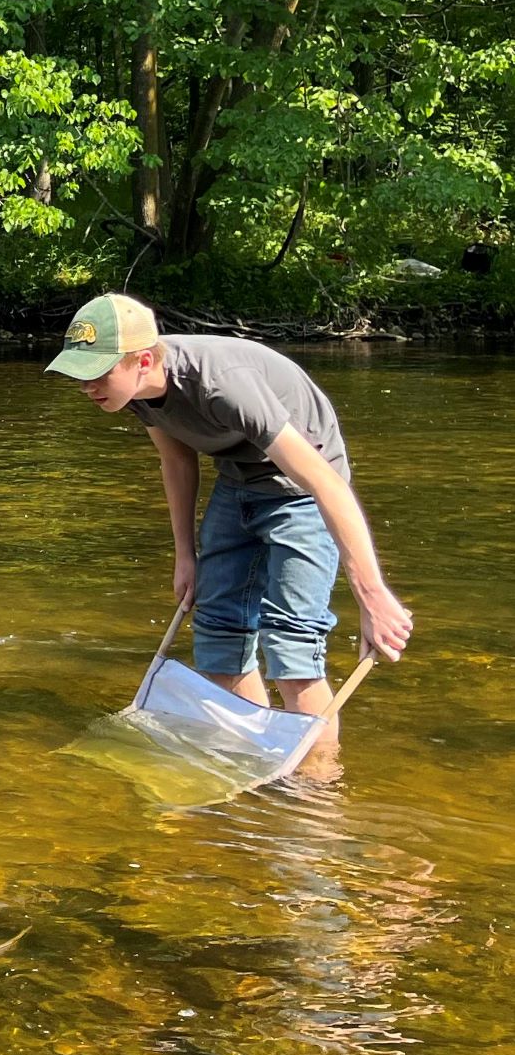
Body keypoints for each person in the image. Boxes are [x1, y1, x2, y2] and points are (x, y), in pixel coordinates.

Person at [46, 293, 413, 747]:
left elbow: (326, 484)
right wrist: (185, 554)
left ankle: (318, 792)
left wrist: (372, 597)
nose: (87, 386)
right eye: (80, 375)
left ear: (142, 360)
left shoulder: (222, 385)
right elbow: (177, 462)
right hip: (238, 479)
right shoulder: (135, 394)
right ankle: (255, 758)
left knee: (291, 647)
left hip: (301, 489)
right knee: (218, 636)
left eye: (98, 373)